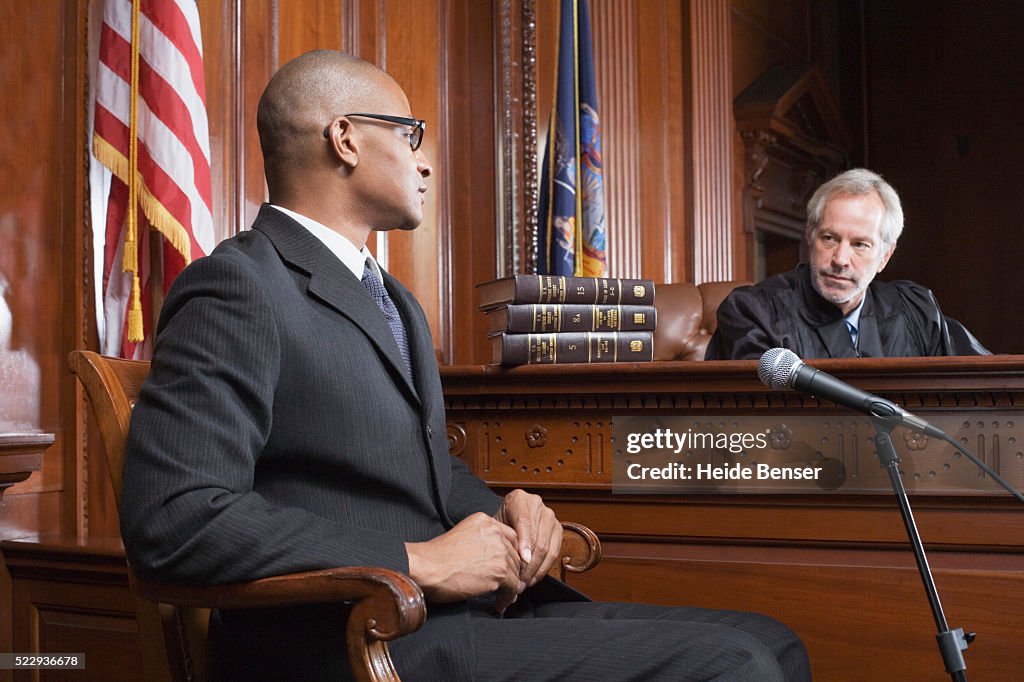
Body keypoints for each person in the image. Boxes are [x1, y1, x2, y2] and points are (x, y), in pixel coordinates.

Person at [121, 50, 811, 681]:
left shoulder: (393, 299)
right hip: (346, 640)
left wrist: (507, 514)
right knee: (736, 666)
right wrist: (419, 561)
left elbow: (418, 470)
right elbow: (176, 517)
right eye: (410, 135)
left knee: (773, 640)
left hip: (453, 619)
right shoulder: (237, 286)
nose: (424, 162)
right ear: (345, 139)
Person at [705, 168, 990, 361]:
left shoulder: (915, 310)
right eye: (829, 238)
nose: (840, 260)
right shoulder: (754, 313)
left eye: (860, 244)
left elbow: (986, 383)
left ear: (885, 256)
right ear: (809, 236)